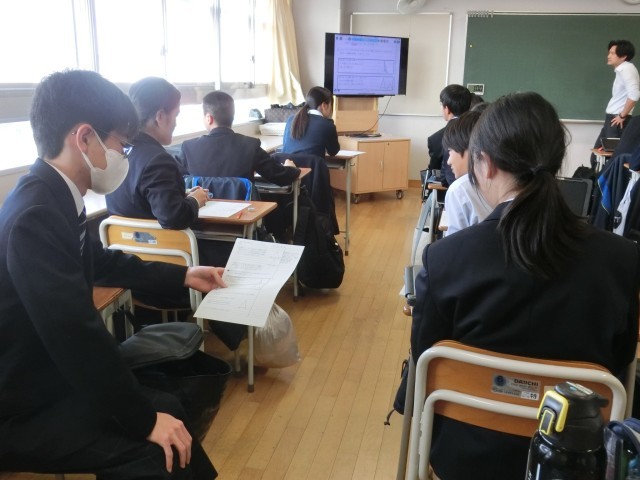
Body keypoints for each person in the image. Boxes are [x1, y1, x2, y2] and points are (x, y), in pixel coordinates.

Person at [0, 69, 225, 479]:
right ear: (85, 138)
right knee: (155, 447)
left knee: (172, 407)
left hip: (52, 372)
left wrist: (183, 275)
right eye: (122, 143)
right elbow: (74, 332)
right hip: (23, 399)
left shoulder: (55, 194)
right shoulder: (35, 214)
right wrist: (143, 421)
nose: (124, 154)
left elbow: (103, 262)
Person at [408, 92, 640, 480]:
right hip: (575, 456)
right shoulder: (622, 259)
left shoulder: (446, 258)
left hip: (464, 456)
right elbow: (620, 362)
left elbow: (424, 361)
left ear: (487, 164)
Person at [177, 91, 301, 186]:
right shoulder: (250, 146)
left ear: (209, 118)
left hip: (202, 211)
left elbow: (175, 179)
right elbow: (279, 177)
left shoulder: (188, 148)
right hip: (243, 211)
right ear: (232, 116)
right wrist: (291, 169)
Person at [441, 109, 492, 236]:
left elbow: (453, 243)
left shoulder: (459, 190)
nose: (449, 161)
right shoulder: (501, 181)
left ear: (469, 149)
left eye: (450, 151)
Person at [591, 40, 640, 165]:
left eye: (613, 53)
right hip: (612, 119)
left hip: (617, 120)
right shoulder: (622, 70)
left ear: (623, 56)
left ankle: (604, 179)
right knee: (596, 157)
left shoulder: (626, 69)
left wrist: (622, 116)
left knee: (609, 160)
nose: (609, 56)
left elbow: (634, 95)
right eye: (609, 53)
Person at [426, 84, 472, 188]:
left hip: (449, 189)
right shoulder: (478, 129)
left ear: (447, 109)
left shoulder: (436, 138)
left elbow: (434, 174)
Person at [281, 86, 340, 157]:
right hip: (312, 164)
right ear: (324, 105)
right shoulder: (327, 125)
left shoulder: (291, 119)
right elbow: (333, 152)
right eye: (331, 105)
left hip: (287, 163)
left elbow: (285, 145)